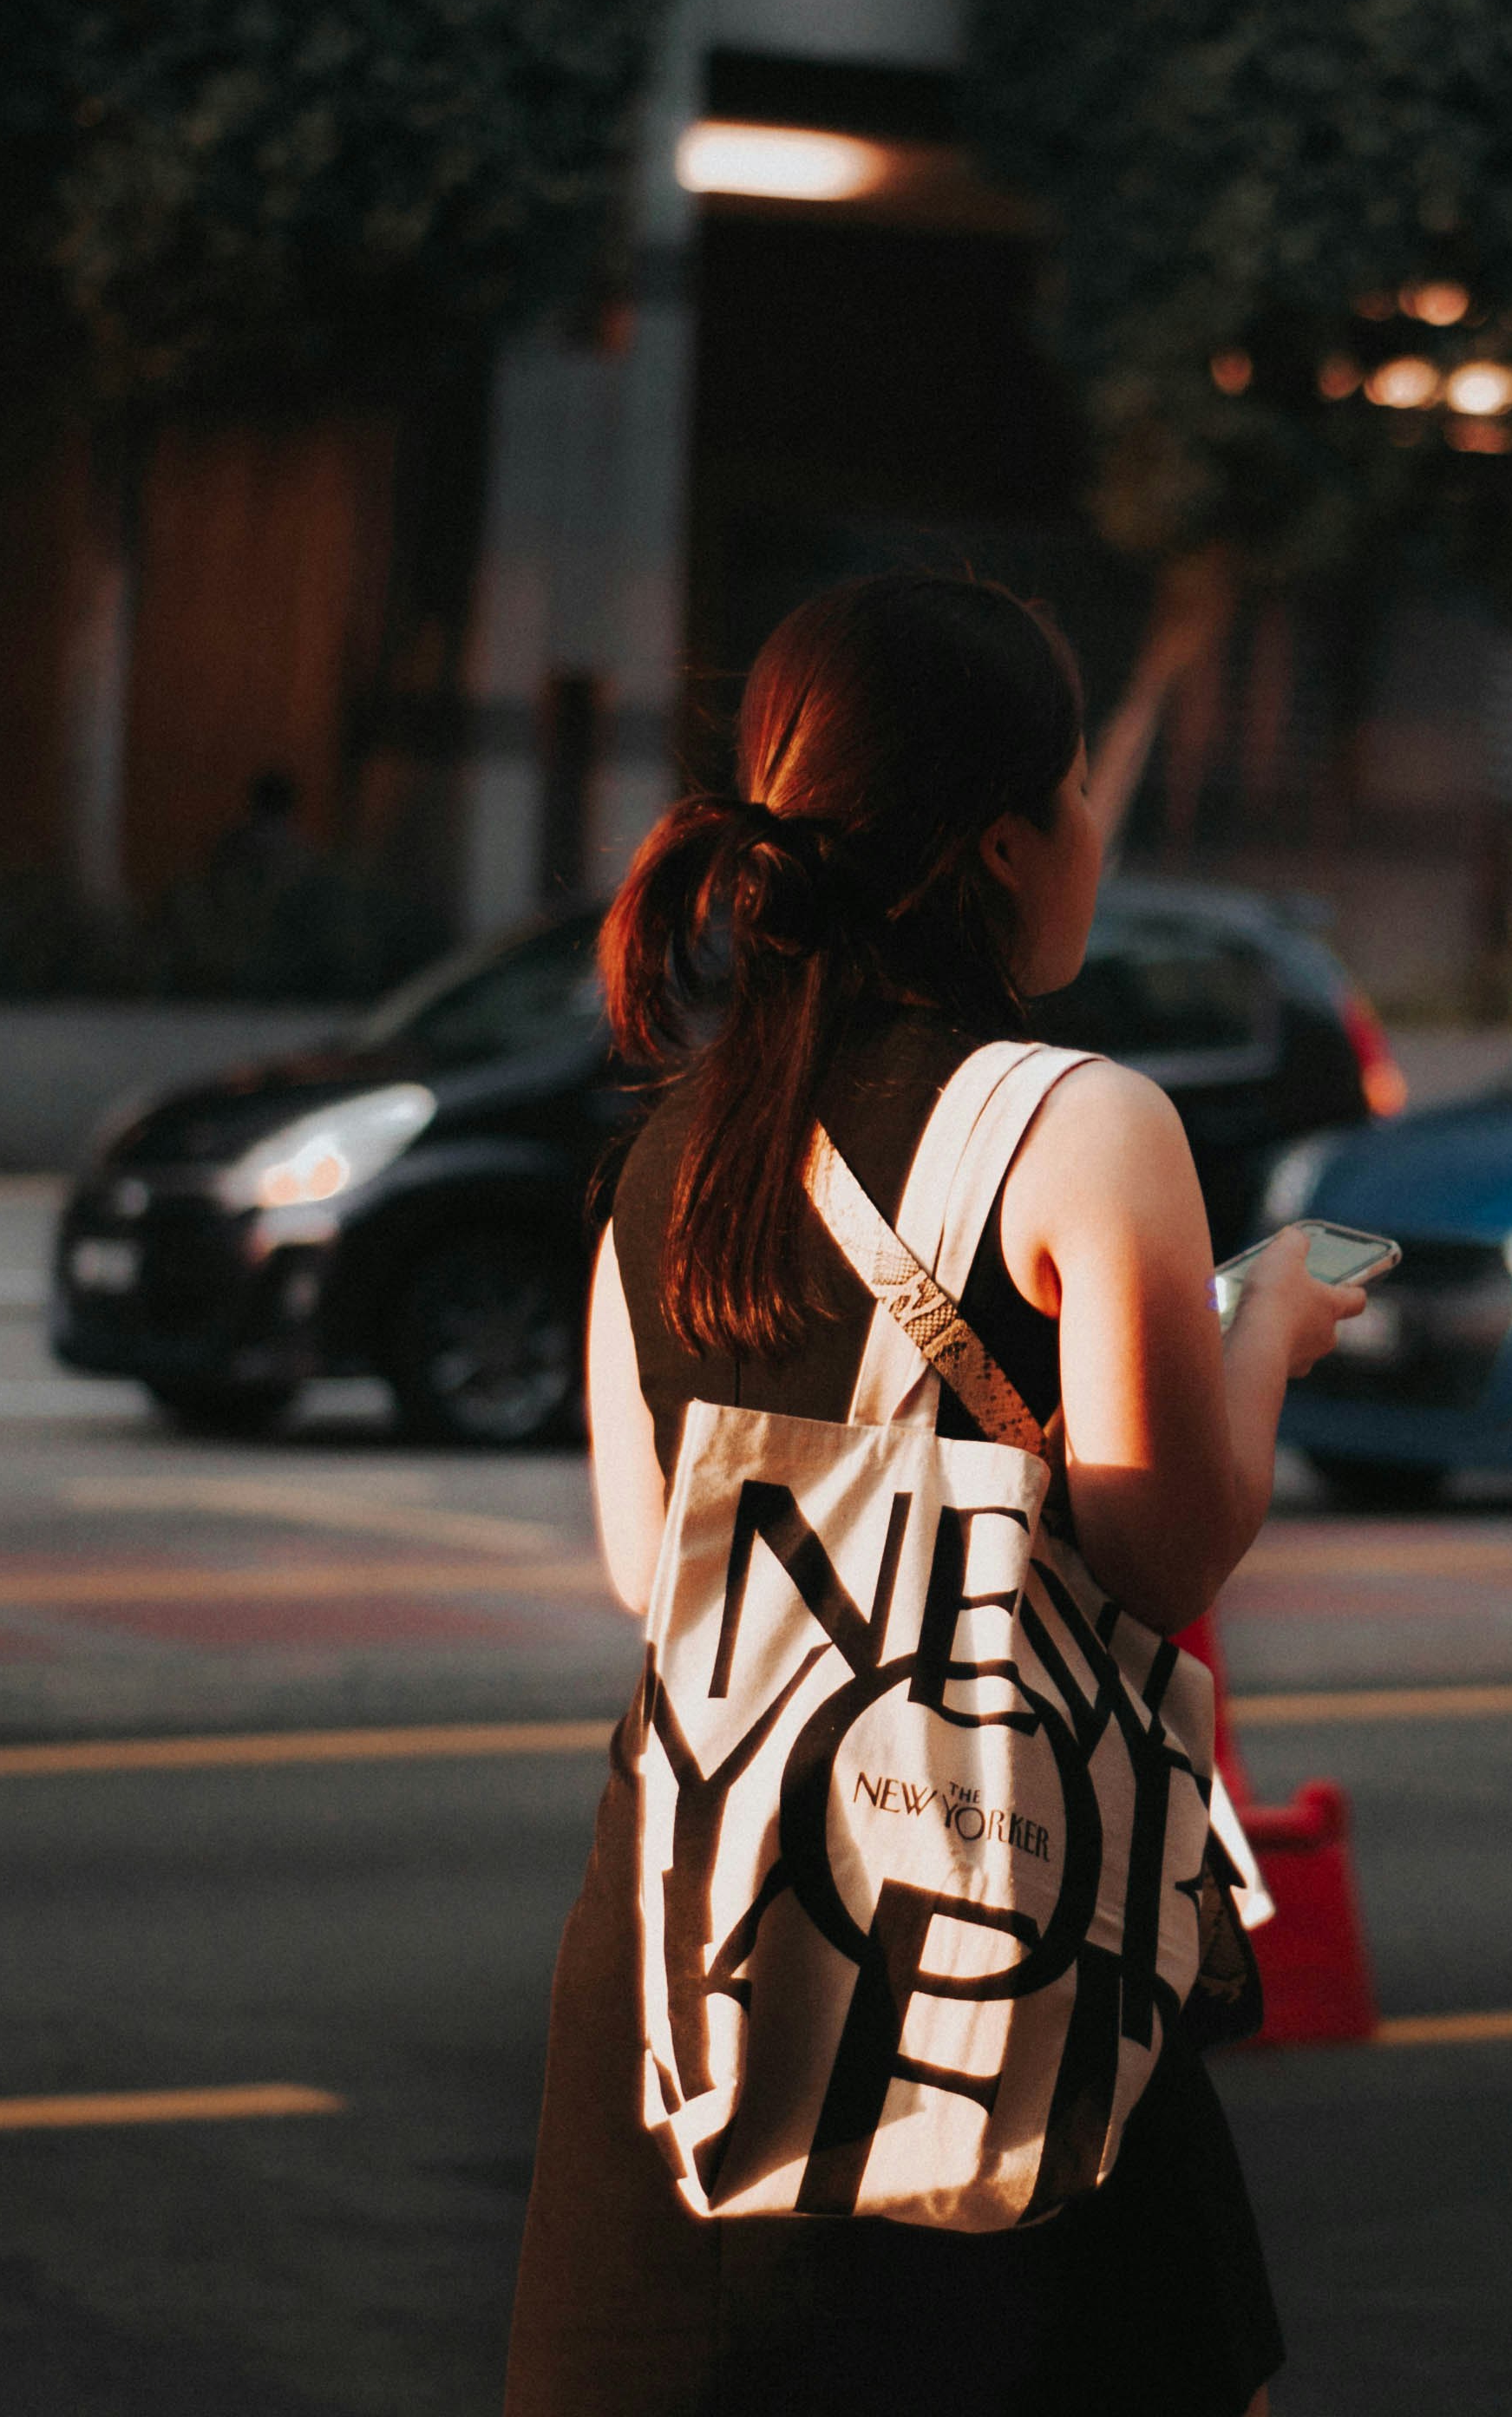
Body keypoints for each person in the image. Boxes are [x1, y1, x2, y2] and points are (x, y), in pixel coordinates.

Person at [503, 573, 1355, 2417]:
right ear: (1000, 840)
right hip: (996, 1920)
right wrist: (1272, 1323)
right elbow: (1162, 1541)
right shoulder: (1084, 1122)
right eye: (1075, 790)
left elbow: (657, 1562)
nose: (1094, 835)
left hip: (700, 1951)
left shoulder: (670, 1144)